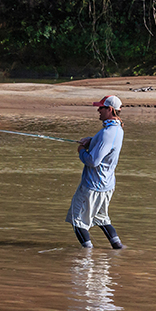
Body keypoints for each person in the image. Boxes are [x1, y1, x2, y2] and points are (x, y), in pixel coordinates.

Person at [66, 95, 124, 249]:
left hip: (93, 186)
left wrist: (81, 151)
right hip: (106, 185)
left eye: (101, 107)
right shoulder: (117, 128)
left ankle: (87, 256)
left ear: (110, 109)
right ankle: (119, 249)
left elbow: (93, 161)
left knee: (77, 221)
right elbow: (107, 144)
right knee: (102, 218)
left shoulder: (107, 133)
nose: (98, 110)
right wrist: (92, 140)